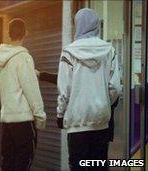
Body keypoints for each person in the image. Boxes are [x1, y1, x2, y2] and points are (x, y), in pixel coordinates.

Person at [56, 8, 121, 171]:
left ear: (77, 25)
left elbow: (64, 90)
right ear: (96, 25)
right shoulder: (109, 50)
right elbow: (115, 88)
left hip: (77, 123)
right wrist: (104, 103)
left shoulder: (68, 52)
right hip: (100, 122)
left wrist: (60, 113)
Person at [0, 18, 46, 171]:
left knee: (8, 162)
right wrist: (40, 116)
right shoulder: (23, 58)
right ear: (26, 33)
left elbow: (3, 88)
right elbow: (31, 90)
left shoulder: (0, 61)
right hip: (23, 121)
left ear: (8, 34)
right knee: (24, 162)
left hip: (7, 121)